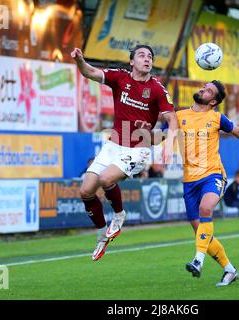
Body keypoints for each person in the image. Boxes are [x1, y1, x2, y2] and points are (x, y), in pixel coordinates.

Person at [135, 80, 239, 286]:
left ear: (214, 101)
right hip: (189, 181)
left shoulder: (216, 118)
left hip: (213, 174)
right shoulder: (179, 117)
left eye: (209, 90)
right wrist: (142, 134)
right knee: (201, 232)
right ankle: (230, 270)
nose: (203, 89)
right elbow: (160, 138)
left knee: (205, 208)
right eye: (204, 87)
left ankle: (198, 261)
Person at [71, 45, 178, 261]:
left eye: (150, 56)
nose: (147, 59)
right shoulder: (120, 78)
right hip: (113, 146)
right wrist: (80, 60)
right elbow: (89, 72)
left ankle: (119, 215)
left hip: (138, 149)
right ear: (132, 62)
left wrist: (168, 143)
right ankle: (102, 235)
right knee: (85, 191)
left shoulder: (157, 89)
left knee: (106, 179)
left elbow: (172, 120)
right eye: (141, 55)